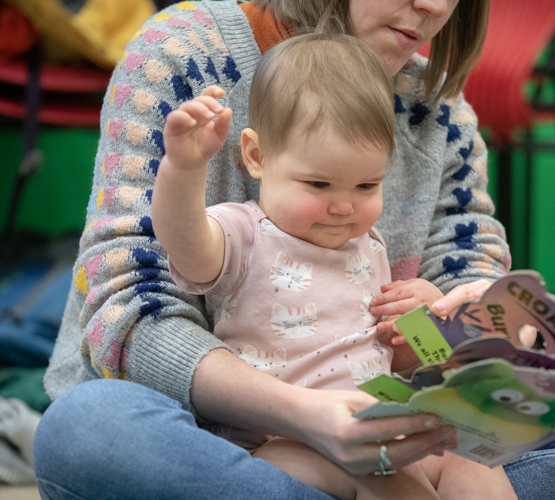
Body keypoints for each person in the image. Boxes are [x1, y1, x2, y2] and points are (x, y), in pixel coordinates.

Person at [34, 1, 555, 499]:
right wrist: (307, 417)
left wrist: (448, 322)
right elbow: (131, 308)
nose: (435, 7)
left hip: (396, 431)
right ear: (256, 152)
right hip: (226, 438)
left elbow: (466, 289)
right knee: (87, 428)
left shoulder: (440, 110)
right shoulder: (183, 54)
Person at [151, 32, 516, 499]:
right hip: (281, 444)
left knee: (474, 458)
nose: (344, 206)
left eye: (366, 186)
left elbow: (390, 355)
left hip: (381, 420)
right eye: (320, 184)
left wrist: (430, 325)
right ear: (257, 156)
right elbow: (183, 242)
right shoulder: (244, 233)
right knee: (394, 479)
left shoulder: (370, 246)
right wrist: (183, 169)